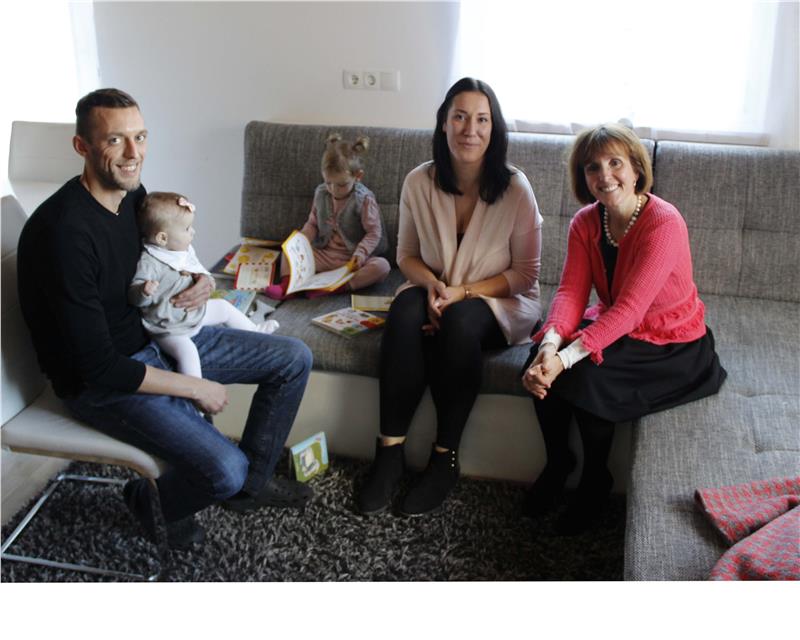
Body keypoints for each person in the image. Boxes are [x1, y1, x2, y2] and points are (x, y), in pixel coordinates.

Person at [16, 88, 314, 551]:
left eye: (140, 136)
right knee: (225, 469)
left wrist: (201, 281)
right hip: (102, 384)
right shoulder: (64, 234)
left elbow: (169, 251)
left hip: (156, 334)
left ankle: (248, 489)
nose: (133, 153)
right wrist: (194, 387)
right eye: (115, 140)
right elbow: (98, 367)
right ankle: (148, 500)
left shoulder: (130, 196)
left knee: (293, 358)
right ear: (82, 147)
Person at [521, 123, 727, 535]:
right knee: (535, 357)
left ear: (636, 169)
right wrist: (550, 346)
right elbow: (571, 293)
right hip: (618, 325)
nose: (605, 175)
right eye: (593, 167)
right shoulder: (585, 222)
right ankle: (559, 463)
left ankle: (595, 480)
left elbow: (632, 310)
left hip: (671, 342)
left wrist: (566, 359)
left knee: (588, 375)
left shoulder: (663, 223)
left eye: (615, 163)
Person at [354, 77, 544, 517]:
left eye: (481, 120)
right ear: (443, 123)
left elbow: (525, 274)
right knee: (403, 312)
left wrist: (462, 293)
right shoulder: (418, 181)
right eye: (459, 117)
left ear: (494, 128)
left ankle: (445, 457)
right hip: (437, 290)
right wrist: (433, 286)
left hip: (499, 300)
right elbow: (406, 256)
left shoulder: (516, 188)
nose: (469, 129)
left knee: (460, 322)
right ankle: (390, 452)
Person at [129, 191, 279, 379]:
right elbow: (134, 297)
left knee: (223, 307)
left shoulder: (181, 250)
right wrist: (143, 291)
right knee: (188, 353)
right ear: (162, 239)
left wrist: (203, 278)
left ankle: (255, 330)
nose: (193, 232)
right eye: (187, 229)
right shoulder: (150, 262)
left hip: (195, 314)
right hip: (170, 328)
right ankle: (195, 388)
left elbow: (199, 270)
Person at [265, 133, 390, 299]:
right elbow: (312, 223)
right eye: (328, 182)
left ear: (358, 176)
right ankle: (288, 286)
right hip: (323, 254)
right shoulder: (321, 194)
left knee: (382, 266)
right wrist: (302, 240)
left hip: (351, 259)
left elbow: (374, 233)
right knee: (287, 251)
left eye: (341, 184)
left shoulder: (364, 199)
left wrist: (360, 253)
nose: (334, 190)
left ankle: (339, 287)